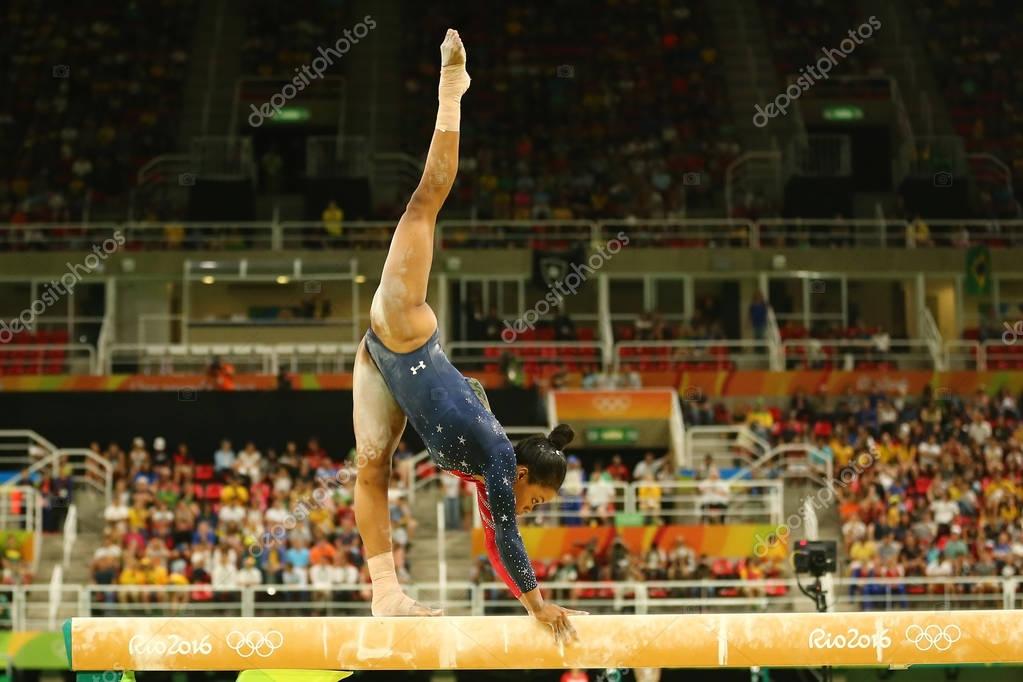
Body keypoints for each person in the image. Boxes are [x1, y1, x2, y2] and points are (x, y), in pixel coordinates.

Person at [351, 30, 583, 643]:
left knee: (372, 471)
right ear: (528, 476)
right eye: (539, 500)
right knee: (425, 202)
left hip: (379, 362)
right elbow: (505, 536)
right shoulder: (501, 462)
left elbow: (496, 534)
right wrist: (539, 608)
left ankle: (386, 595)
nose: (530, 509)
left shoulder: (492, 472)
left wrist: (535, 605)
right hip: (405, 330)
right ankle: (452, 91)